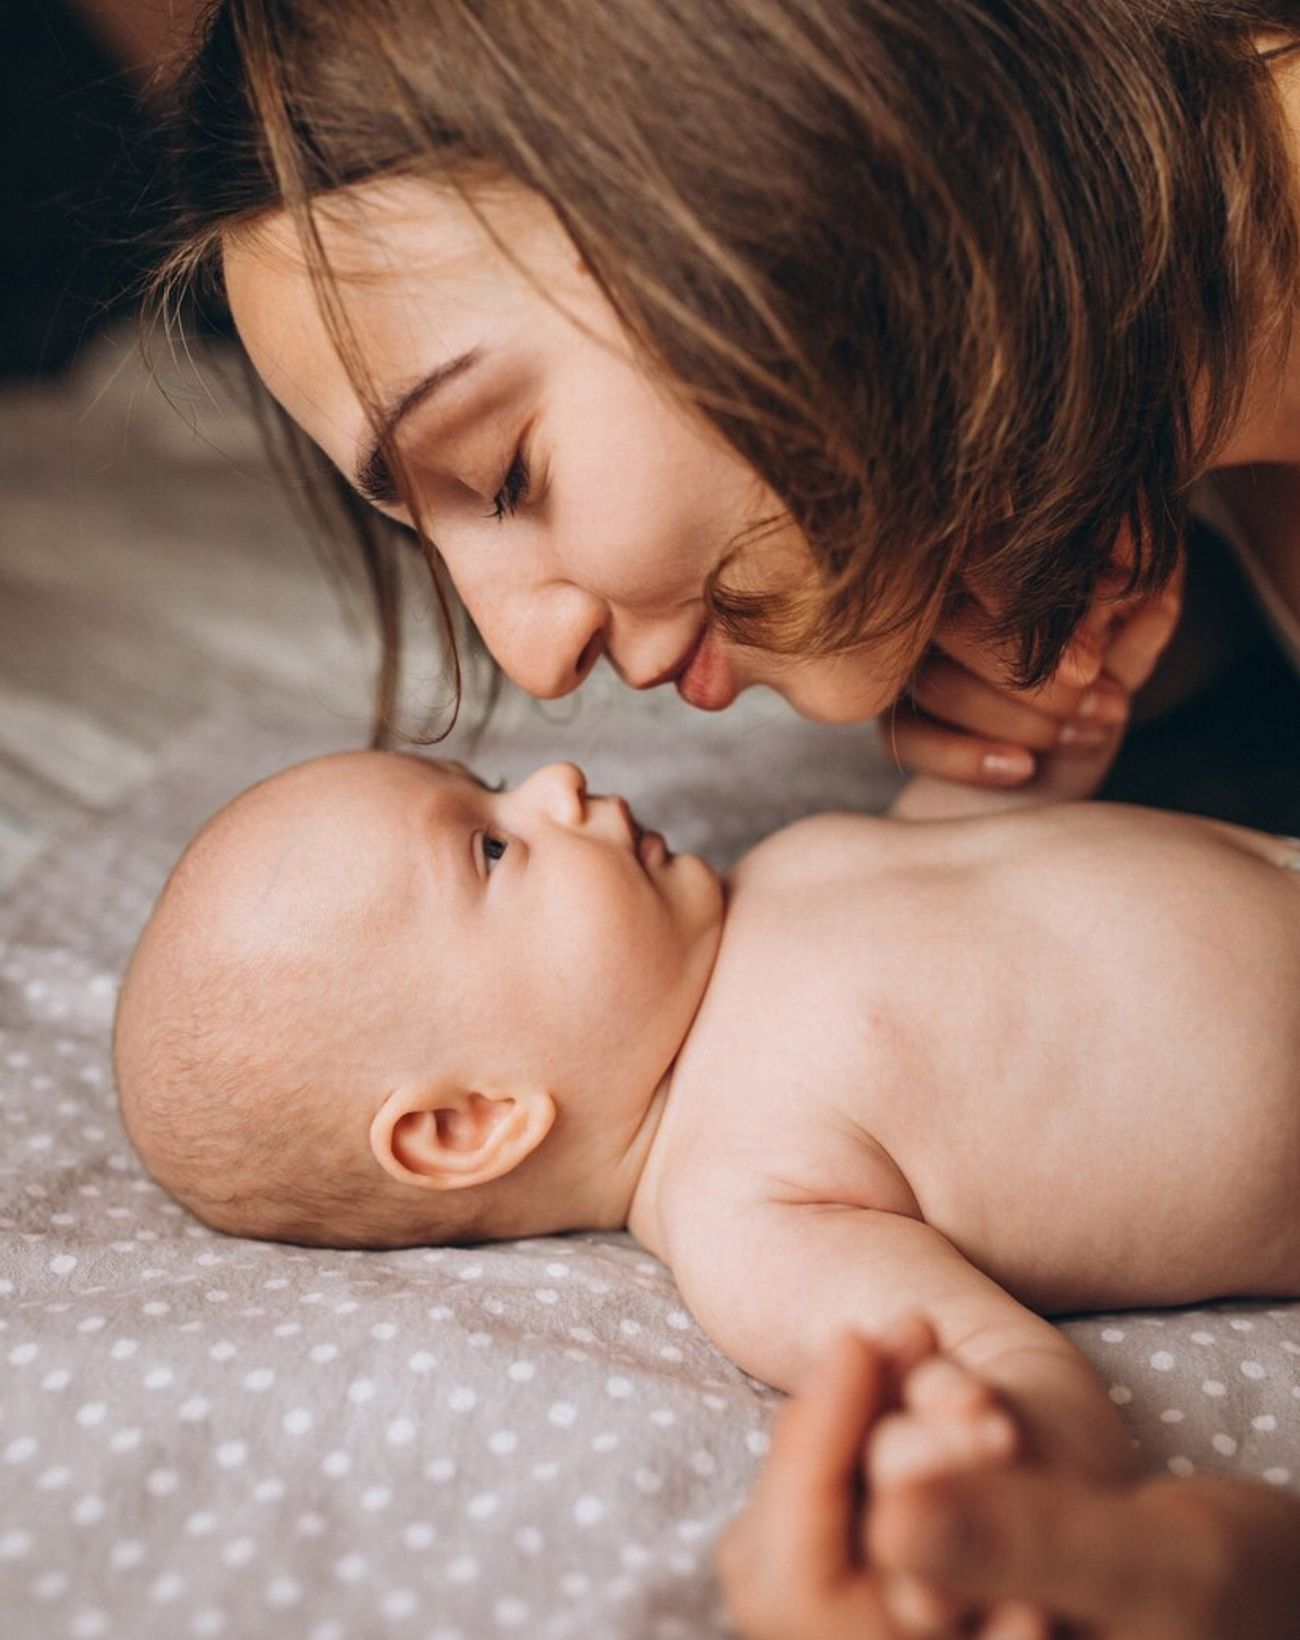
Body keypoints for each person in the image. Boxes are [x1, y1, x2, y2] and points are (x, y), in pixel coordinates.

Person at [150, 0, 1300, 1629]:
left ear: (759, 157)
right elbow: (958, 1365)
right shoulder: (746, 1189)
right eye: (486, 845)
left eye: (510, 471)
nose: (533, 667)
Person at [113, 656, 1300, 1636]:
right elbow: (991, 1355)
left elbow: (992, 856)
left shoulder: (773, 874)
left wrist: (1029, 743)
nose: (560, 781)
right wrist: (998, 1468)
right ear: (470, 1122)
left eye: (495, 780)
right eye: (489, 846)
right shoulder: (744, 1199)